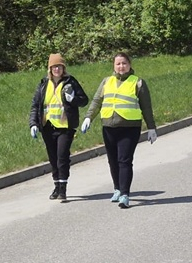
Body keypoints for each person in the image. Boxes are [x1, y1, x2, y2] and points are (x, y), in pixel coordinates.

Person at [81, 53, 157, 209]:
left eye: (124, 63)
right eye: (118, 64)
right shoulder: (106, 81)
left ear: (129, 65)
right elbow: (97, 101)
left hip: (129, 128)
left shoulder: (138, 83)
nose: (121, 66)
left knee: (124, 160)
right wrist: (88, 117)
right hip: (109, 127)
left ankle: (125, 194)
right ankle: (117, 188)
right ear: (113, 66)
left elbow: (146, 107)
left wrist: (151, 128)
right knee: (113, 160)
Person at [29, 53, 89, 202]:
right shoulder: (43, 84)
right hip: (47, 127)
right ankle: (56, 185)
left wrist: (72, 99)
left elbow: (84, 100)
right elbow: (36, 105)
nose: (57, 69)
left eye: (60, 67)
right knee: (53, 158)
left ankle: (63, 188)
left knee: (62, 157)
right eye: (54, 67)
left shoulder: (70, 82)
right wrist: (33, 124)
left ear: (63, 68)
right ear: (50, 69)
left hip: (65, 127)